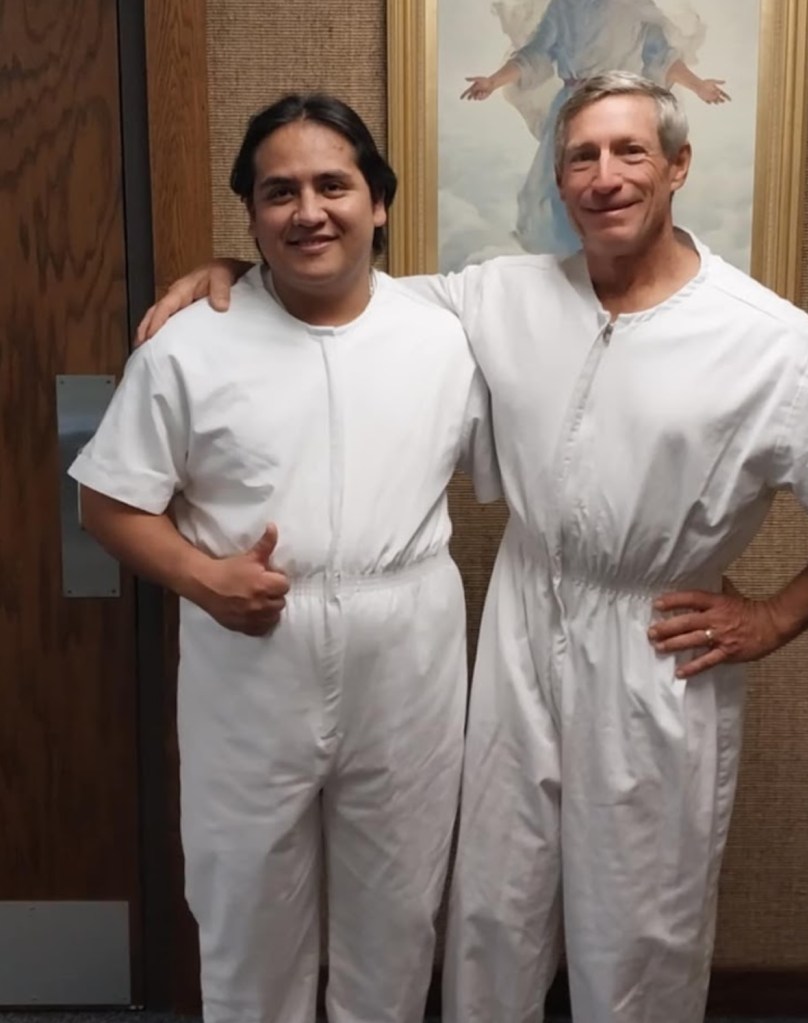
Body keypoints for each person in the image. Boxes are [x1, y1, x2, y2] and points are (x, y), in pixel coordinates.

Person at [137, 73, 808, 1023]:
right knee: (492, 909)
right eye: (581, 156)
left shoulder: (770, 343)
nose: (606, 176)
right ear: (559, 180)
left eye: (630, 151)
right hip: (520, 629)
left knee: (638, 925)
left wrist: (773, 617)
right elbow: (342, 292)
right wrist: (233, 269)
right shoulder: (501, 295)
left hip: (652, 643)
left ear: (679, 165)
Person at [71, 93, 499, 1023]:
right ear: (253, 213)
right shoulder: (191, 345)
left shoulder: (444, 339)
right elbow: (106, 501)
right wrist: (204, 578)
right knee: (245, 907)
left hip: (407, 650)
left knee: (397, 912)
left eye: (332, 185)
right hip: (249, 651)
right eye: (280, 192)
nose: (309, 212)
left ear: (378, 202)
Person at [460, 0, 729, 254]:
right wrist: (493, 82)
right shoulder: (564, 5)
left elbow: (663, 58)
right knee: (558, 197)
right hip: (572, 110)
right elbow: (535, 54)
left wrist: (699, 86)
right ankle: (567, 273)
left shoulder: (634, 4)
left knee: (617, 189)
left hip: (620, 111)